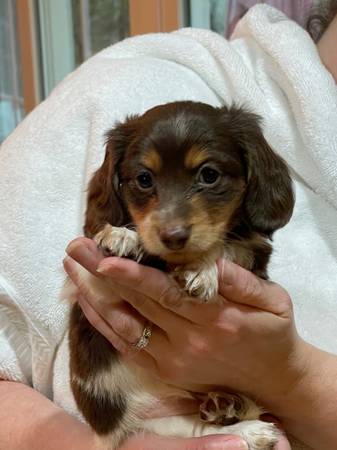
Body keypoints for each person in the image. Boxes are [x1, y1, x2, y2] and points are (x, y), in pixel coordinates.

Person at [0, 3, 336, 450]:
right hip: (120, 415)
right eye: (144, 181)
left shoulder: (244, 189)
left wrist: (292, 377)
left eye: (209, 177)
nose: (174, 226)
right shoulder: (133, 76)